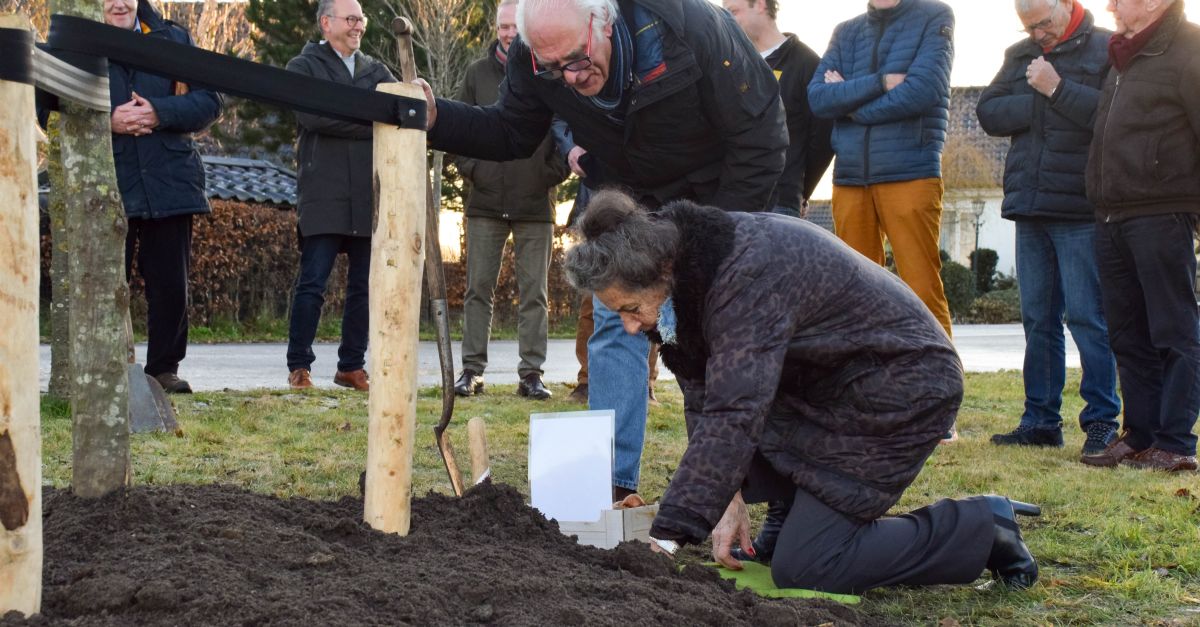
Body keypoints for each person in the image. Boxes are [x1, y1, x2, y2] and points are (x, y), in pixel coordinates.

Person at [564, 189, 1040, 594]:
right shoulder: (687, 272)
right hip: (828, 384)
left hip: (899, 386)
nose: (630, 327)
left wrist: (668, 537)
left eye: (630, 309)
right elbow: (706, 393)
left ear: (661, 270)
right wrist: (726, 496)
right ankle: (789, 512)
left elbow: (734, 412)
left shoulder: (742, 277)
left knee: (810, 566)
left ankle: (983, 528)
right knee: (762, 486)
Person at [417, 0, 787, 500]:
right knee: (616, 318)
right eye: (553, 68)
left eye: (576, 58)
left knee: (729, 334)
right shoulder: (534, 56)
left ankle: (757, 486)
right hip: (631, 195)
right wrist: (438, 118)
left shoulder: (688, 27)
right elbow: (511, 131)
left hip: (722, 191)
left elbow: (761, 137)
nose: (569, 77)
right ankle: (611, 486)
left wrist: (707, 248)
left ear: (603, 21)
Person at [976, 0, 1120, 459]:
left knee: (1088, 319)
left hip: (1079, 207)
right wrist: (1045, 101)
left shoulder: (1106, 48)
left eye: (1043, 23)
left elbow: (1110, 115)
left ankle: (1102, 422)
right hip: (1030, 205)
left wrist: (1056, 88)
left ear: (1066, 5)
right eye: (1028, 27)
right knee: (1038, 320)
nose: (1038, 34)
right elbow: (989, 113)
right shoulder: (1019, 54)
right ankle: (1040, 421)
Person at [1080, 0, 1199, 473]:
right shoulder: (1122, 55)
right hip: (1111, 215)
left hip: (1161, 213)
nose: (1109, 6)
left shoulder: (1190, 48)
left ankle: (1176, 443)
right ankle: (1141, 436)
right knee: (1128, 335)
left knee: (1174, 332)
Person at [807, 0, 955, 339]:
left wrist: (850, 107)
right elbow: (818, 98)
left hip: (909, 173)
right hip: (850, 178)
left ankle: (941, 369)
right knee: (855, 291)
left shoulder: (935, 15)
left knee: (921, 289)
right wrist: (881, 82)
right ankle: (866, 369)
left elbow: (923, 90)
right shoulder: (846, 32)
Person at [451, 0, 570, 401]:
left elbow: (568, 128)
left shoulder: (548, 69)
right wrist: (475, 170)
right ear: (496, 27)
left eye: (514, 26)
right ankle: (471, 371)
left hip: (535, 205)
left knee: (535, 295)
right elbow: (458, 126)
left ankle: (531, 374)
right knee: (477, 290)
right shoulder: (475, 74)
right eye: (503, 26)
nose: (508, 33)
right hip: (484, 203)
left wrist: (547, 175)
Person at [105, 0, 222, 394]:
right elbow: (49, 106)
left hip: (170, 180)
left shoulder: (173, 38)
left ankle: (163, 371)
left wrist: (158, 112)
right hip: (108, 182)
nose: (119, 3)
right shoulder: (74, 40)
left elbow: (209, 102)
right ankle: (106, 371)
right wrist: (108, 119)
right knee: (103, 284)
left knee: (171, 284)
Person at [284, 0, 396, 392]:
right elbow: (312, 116)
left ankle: (351, 366)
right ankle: (299, 365)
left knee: (364, 286)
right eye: (350, 19)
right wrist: (370, 120)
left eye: (361, 19)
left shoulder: (377, 71)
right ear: (326, 22)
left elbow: (396, 113)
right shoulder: (303, 67)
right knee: (312, 283)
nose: (358, 26)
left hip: (367, 194)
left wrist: (348, 116)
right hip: (323, 191)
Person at [722, 0, 833, 217]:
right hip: (730, 202)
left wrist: (802, 191)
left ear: (760, 5)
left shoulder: (807, 64)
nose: (727, 21)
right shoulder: (730, 63)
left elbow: (822, 138)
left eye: (733, 12)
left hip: (779, 202)